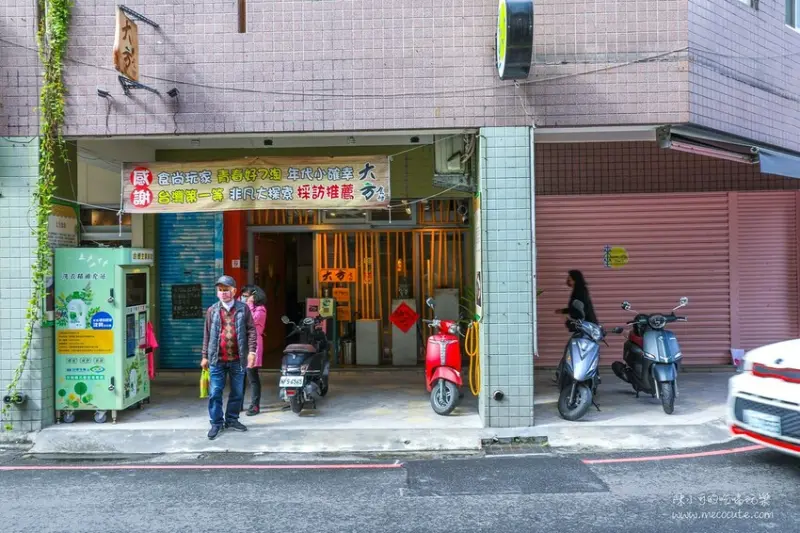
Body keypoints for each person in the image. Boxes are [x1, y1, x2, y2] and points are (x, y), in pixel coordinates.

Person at [201, 275, 258, 440]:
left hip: (238, 359)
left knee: (237, 392)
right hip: (216, 360)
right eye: (220, 290)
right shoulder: (212, 310)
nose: (223, 293)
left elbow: (251, 332)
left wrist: (252, 352)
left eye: (226, 290)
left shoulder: (243, 309)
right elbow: (207, 334)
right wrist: (204, 355)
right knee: (215, 391)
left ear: (234, 291)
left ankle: (232, 419)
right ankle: (216, 423)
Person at [241, 284, 267, 416]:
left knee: (252, 377)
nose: (244, 298)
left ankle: (255, 405)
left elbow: (250, 320)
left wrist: (249, 304)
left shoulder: (260, 310)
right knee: (240, 376)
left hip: (254, 345)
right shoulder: (242, 308)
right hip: (242, 345)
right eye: (243, 296)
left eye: (247, 296)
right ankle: (238, 404)